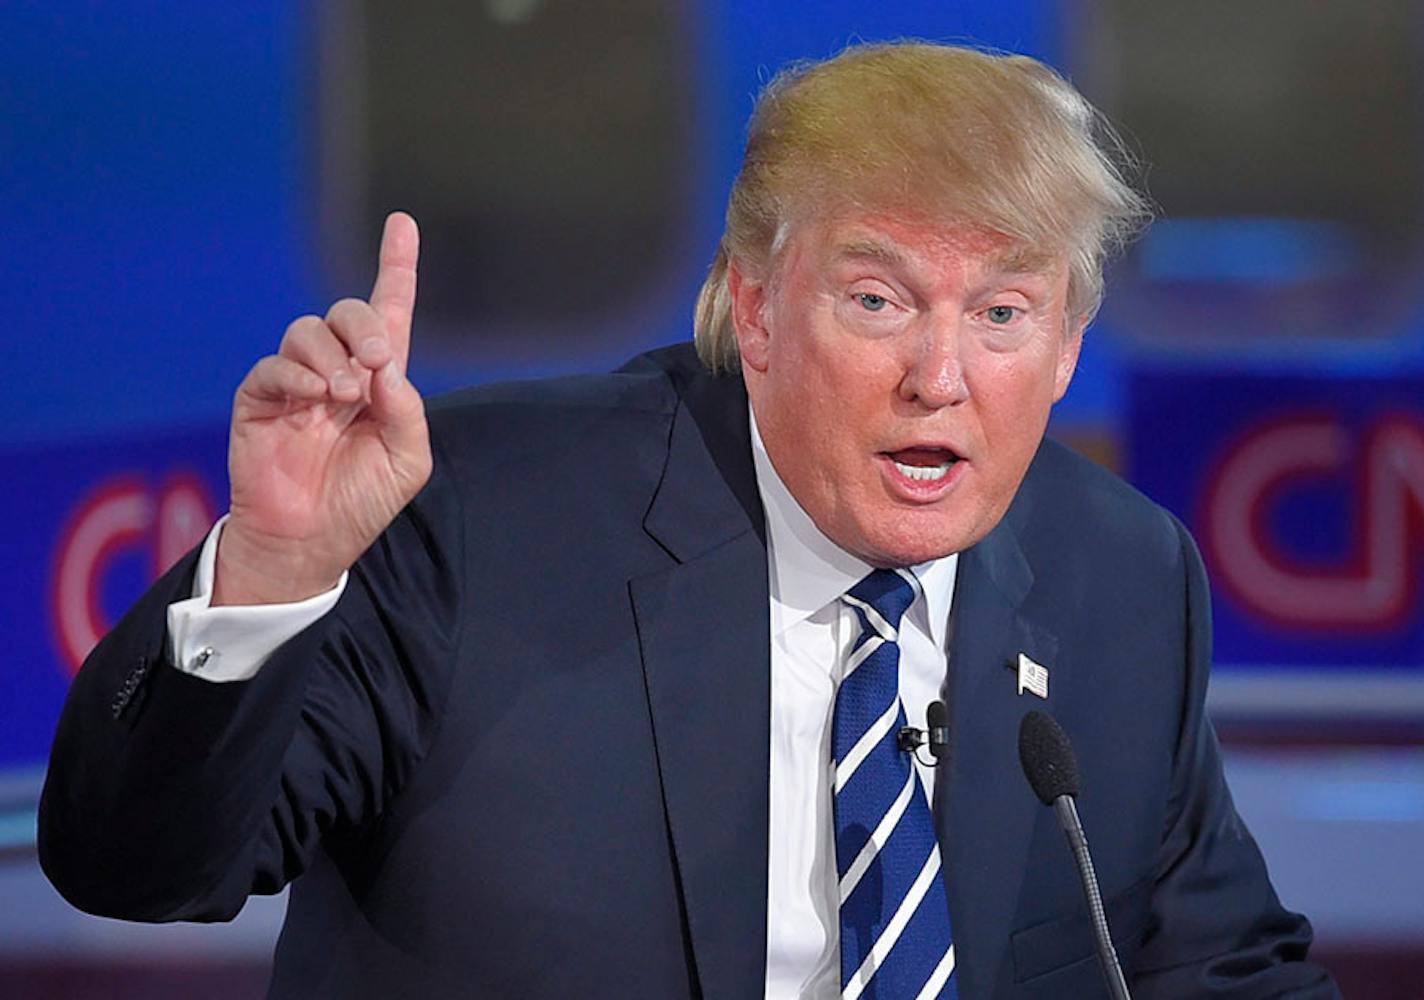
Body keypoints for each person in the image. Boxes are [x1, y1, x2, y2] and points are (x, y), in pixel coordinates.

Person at [39, 42, 1339, 999]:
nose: (941, 376)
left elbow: (1217, 962)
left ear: (1065, 348)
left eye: (1002, 313)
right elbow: (140, 871)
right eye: (879, 300)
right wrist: (271, 567)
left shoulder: (1121, 575)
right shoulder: (480, 522)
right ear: (756, 309)